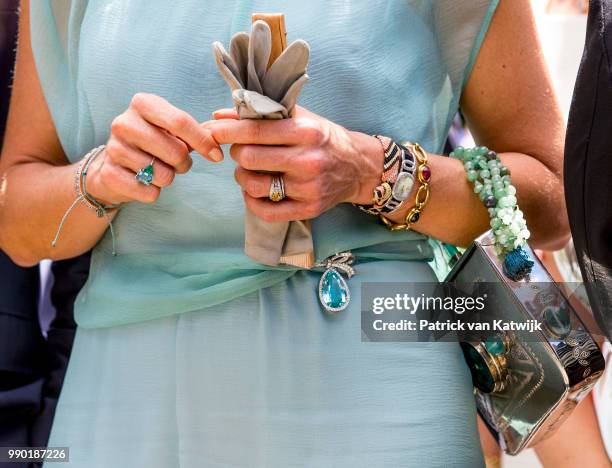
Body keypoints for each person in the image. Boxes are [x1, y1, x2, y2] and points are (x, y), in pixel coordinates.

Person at [0, 0, 585, 466]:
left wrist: (369, 169)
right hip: (131, 399)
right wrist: (99, 177)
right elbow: (16, 221)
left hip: (377, 392)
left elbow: (552, 195)